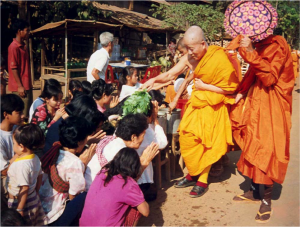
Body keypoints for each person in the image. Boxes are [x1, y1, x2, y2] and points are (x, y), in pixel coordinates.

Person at [142, 26, 239, 197]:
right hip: (197, 103)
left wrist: (205, 86)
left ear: (202, 44)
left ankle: (202, 178)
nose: (189, 52)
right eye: (187, 48)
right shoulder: (190, 57)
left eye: (192, 48)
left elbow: (230, 89)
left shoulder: (218, 57)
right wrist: (153, 79)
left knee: (206, 141)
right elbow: (171, 75)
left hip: (213, 105)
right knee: (187, 136)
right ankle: (194, 172)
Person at [230, 34, 294, 223]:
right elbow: (253, 71)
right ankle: (254, 191)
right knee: (251, 145)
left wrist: (250, 51)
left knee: (265, 149)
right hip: (256, 99)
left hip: (272, 104)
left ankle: (266, 201)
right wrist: (242, 91)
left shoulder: (278, 45)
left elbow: (269, 78)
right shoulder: (260, 44)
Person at [39, 116, 97, 227]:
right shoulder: (75, 163)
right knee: (85, 196)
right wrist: (83, 164)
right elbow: (74, 195)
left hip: (42, 204)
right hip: (55, 214)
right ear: (80, 142)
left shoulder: (56, 149)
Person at [84, 114, 159, 191]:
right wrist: (144, 162)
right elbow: (126, 184)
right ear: (133, 137)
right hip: (97, 191)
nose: (143, 139)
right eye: (143, 135)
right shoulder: (121, 152)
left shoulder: (113, 141)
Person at [80, 147, 150, 227]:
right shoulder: (128, 183)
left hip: (84, 224)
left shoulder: (102, 172)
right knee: (135, 208)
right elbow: (145, 212)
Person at [6, 124, 47, 226]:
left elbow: (24, 188)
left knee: (25, 223)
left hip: (20, 201)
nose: (13, 145)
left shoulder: (21, 165)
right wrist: (36, 192)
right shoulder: (34, 157)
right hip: (33, 197)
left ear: (21, 147)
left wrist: (19, 209)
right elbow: (40, 175)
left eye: (14, 143)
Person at [0, 94, 24, 212]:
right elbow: (4, 171)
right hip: (5, 178)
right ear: (6, 115)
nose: (23, 116)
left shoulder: (17, 128)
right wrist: (21, 151)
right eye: (19, 113)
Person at [8, 19, 32, 119]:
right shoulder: (13, 47)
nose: (28, 33)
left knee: (28, 114)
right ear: (19, 31)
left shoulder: (24, 46)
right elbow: (13, 68)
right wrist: (20, 86)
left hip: (27, 85)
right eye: (26, 30)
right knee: (22, 116)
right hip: (21, 87)